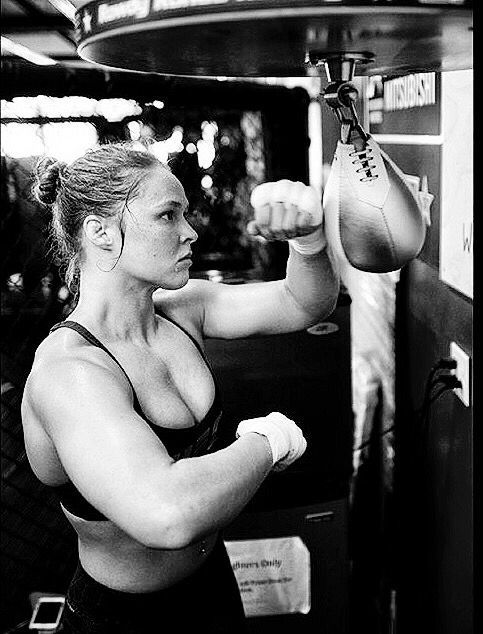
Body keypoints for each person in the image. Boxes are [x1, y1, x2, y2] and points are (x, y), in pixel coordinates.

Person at [21, 143, 339, 633]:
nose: (190, 231)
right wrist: (267, 441)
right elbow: (167, 513)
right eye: (168, 215)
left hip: (212, 585)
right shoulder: (72, 373)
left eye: (185, 213)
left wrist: (309, 240)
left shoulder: (182, 309)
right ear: (100, 232)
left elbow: (302, 303)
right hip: (126, 620)